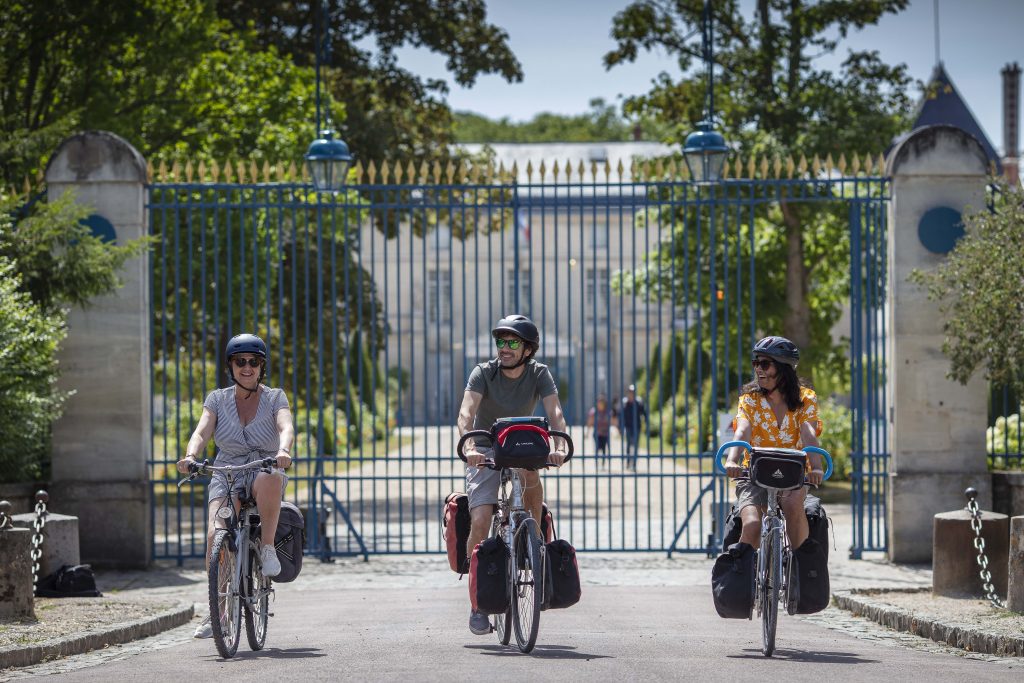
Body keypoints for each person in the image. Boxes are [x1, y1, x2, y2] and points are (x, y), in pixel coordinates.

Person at [176, 333, 294, 639]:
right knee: (216, 534)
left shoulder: (274, 397)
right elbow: (201, 431)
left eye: (253, 362)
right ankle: (218, 610)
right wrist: (191, 456)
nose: (247, 367)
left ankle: (267, 549)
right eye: (240, 361)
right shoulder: (216, 399)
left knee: (270, 477)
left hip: (263, 467)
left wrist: (282, 451)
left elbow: (286, 425)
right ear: (231, 365)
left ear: (261, 367)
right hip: (226, 471)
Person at [457, 314, 569, 636]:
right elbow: (466, 412)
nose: (504, 348)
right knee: (480, 517)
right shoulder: (483, 373)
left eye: (512, 342)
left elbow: (555, 412)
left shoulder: (539, 374)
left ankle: (533, 547)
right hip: (486, 449)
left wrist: (559, 443)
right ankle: (478, 601)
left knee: (533, 483)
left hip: (521, 446)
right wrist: (468, 448)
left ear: (528, 349)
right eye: (501, 342)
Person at [723, 336, 823, 551]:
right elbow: (742, 430)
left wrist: (815, 467)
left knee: (792, 505)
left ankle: (800, 570)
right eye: (756, 363)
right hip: (754, 473)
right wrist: (732, 460)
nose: (758, 369)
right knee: (752, 524)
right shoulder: (750, 399)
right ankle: (744, 578)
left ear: (784, 369)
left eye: (765, 364)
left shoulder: (806, 399)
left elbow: (808, 433)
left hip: (793, 473)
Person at [585, 393, 618, 469]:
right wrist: (587, 432)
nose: (600, 404)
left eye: (602, 402)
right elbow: (590, 422)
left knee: (603, 449)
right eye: (599, 402)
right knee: (597, 448)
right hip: (597, 433)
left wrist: (617, 430)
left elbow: (613, 421)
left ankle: (602, 464)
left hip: (605, 433)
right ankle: (597, 463)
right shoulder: (594, 412)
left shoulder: (608, 412)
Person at [620, 384, 647, 471]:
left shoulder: (638, 403)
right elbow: (621, 416)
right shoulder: (625, 403)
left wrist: (646, 423)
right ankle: (628, 463)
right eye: (630, 392)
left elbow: (644, 413)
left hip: (636, 427)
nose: (631, 394)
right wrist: (621, 427)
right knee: (628, 446)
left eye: (633, 392)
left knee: (635, 446)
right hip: (628, 427)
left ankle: (634, 464)